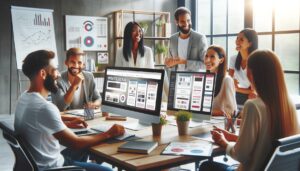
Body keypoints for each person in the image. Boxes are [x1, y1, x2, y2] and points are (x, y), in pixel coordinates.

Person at [14, 50, 125, 171]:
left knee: (87, 146)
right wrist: (109, 133)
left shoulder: (24, 98)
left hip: (40, 161)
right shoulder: (44, 107)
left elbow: (38, 125)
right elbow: (76, 143)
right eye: (54, 70)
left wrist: (65, 124)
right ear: (43, 74)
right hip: (55, 167)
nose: (58, 74)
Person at [200, 50, 300, 171]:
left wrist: (223, 142)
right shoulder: (288, 103)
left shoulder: (253, 106)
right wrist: (232, 137)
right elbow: (266, 143)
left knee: (206, 166)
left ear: (251, 73)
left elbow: (240, 155)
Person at [165, 7, 208, 71]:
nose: (186, 24)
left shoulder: (200, 38)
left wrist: (184, 62)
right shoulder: (172, 39)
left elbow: (206, 64)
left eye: (188, 20)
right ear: (176, 22)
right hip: (176, 79)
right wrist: (169, 64)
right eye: (182, 21)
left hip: (194, 79)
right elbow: (170, 64)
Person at [204, 45, 237, 117]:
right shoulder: (203, 79)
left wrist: (207, 112)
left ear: (221, 60)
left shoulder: (227, 80)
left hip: (217, 123)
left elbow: (231, 111)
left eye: (212, 57)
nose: (207, 60)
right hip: (202, 120)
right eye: (206, 56)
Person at [229, 28, 258, 106]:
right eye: (237, 38)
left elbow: (254, 91)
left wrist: (236, 88)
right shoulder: (233, 59)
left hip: (251, 97)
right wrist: (232, 84)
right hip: (236, 95)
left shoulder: (255, 61)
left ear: (250, 43)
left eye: (241, 39)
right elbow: (229, 82)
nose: (237, 42)